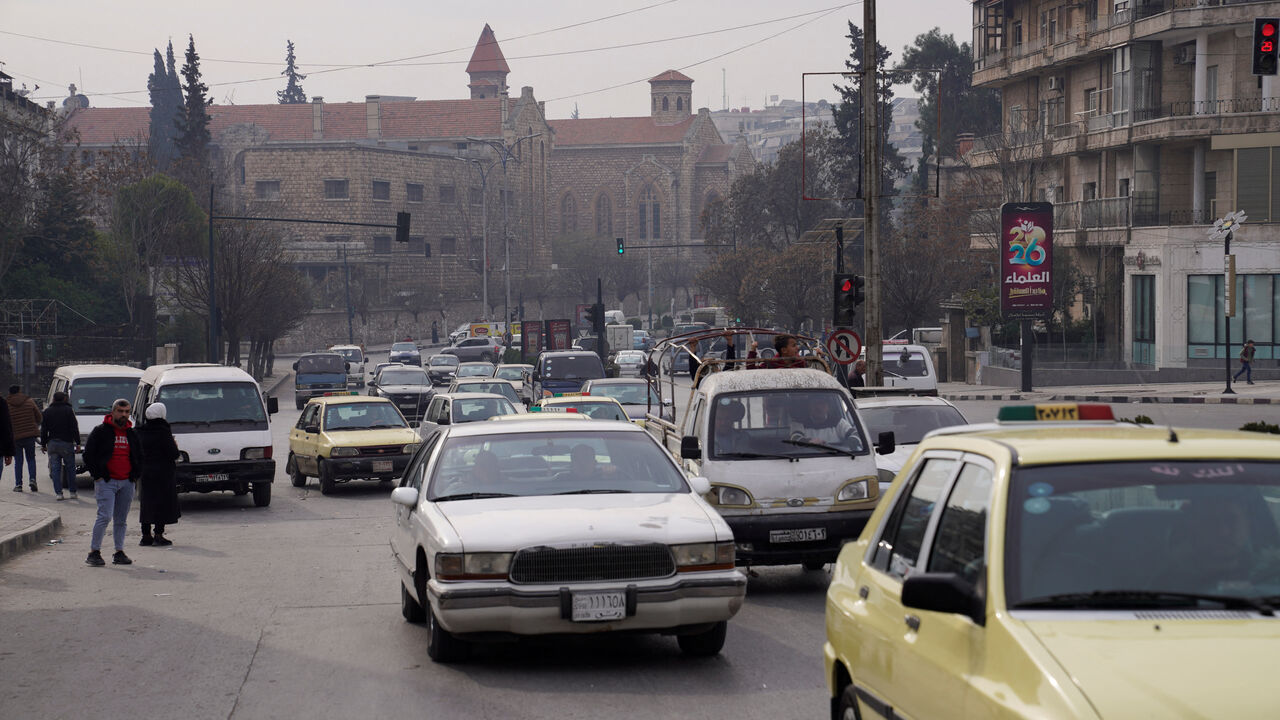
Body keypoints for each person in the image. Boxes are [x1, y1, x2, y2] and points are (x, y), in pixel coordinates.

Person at [82, 399, 143, 567]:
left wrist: (135, 475)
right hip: (107, 482)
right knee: (105, 516)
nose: (123, 415)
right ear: (113, 412)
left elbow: (139, 455)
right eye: (120, 411)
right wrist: (98, 475)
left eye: (127, 412)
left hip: (127, 482)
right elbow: (88, 455)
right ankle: (94, 551)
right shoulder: (101, 431)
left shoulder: (131, 433)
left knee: (121, 520)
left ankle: (119, 551)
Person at [137, 403, 181, 547]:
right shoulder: (163, 431)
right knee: (161, 503)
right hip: (163, 473)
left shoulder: (139, 431)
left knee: (147, 502)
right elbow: (173, 453)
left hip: (145, 472)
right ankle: (158, 534)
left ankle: (145, 535)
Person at [39, 391, 80, 500]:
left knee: (55, 469)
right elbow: (74, 428)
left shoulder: (47, 412)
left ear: (53, 399)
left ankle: (59, 493)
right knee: (70, 468)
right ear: (64, 399)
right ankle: (72, 492)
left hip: (52, 443)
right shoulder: (68, 411)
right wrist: (78, 443)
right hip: (66, 443)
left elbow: (44, 430)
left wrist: (43, 444)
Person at [7, 385, 42, 492]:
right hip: (29, 436)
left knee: (18, 461)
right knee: (31, 458)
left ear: (10, 393)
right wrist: (34, 425)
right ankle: (32, 480)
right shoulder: (29, 401)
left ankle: (18, 485)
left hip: (15, 437)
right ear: (20, 391)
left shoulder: (7, 405)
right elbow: (39, 417)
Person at [788, 394, 855, 448]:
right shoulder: (799, 423)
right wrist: (809, 442)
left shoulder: (838, 422)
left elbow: (855, 434)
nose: (819, 407)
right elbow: (795, 439)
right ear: (809, 406)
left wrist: (847, 445)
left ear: (828, 407)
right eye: (815, 404)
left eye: (822, 404)